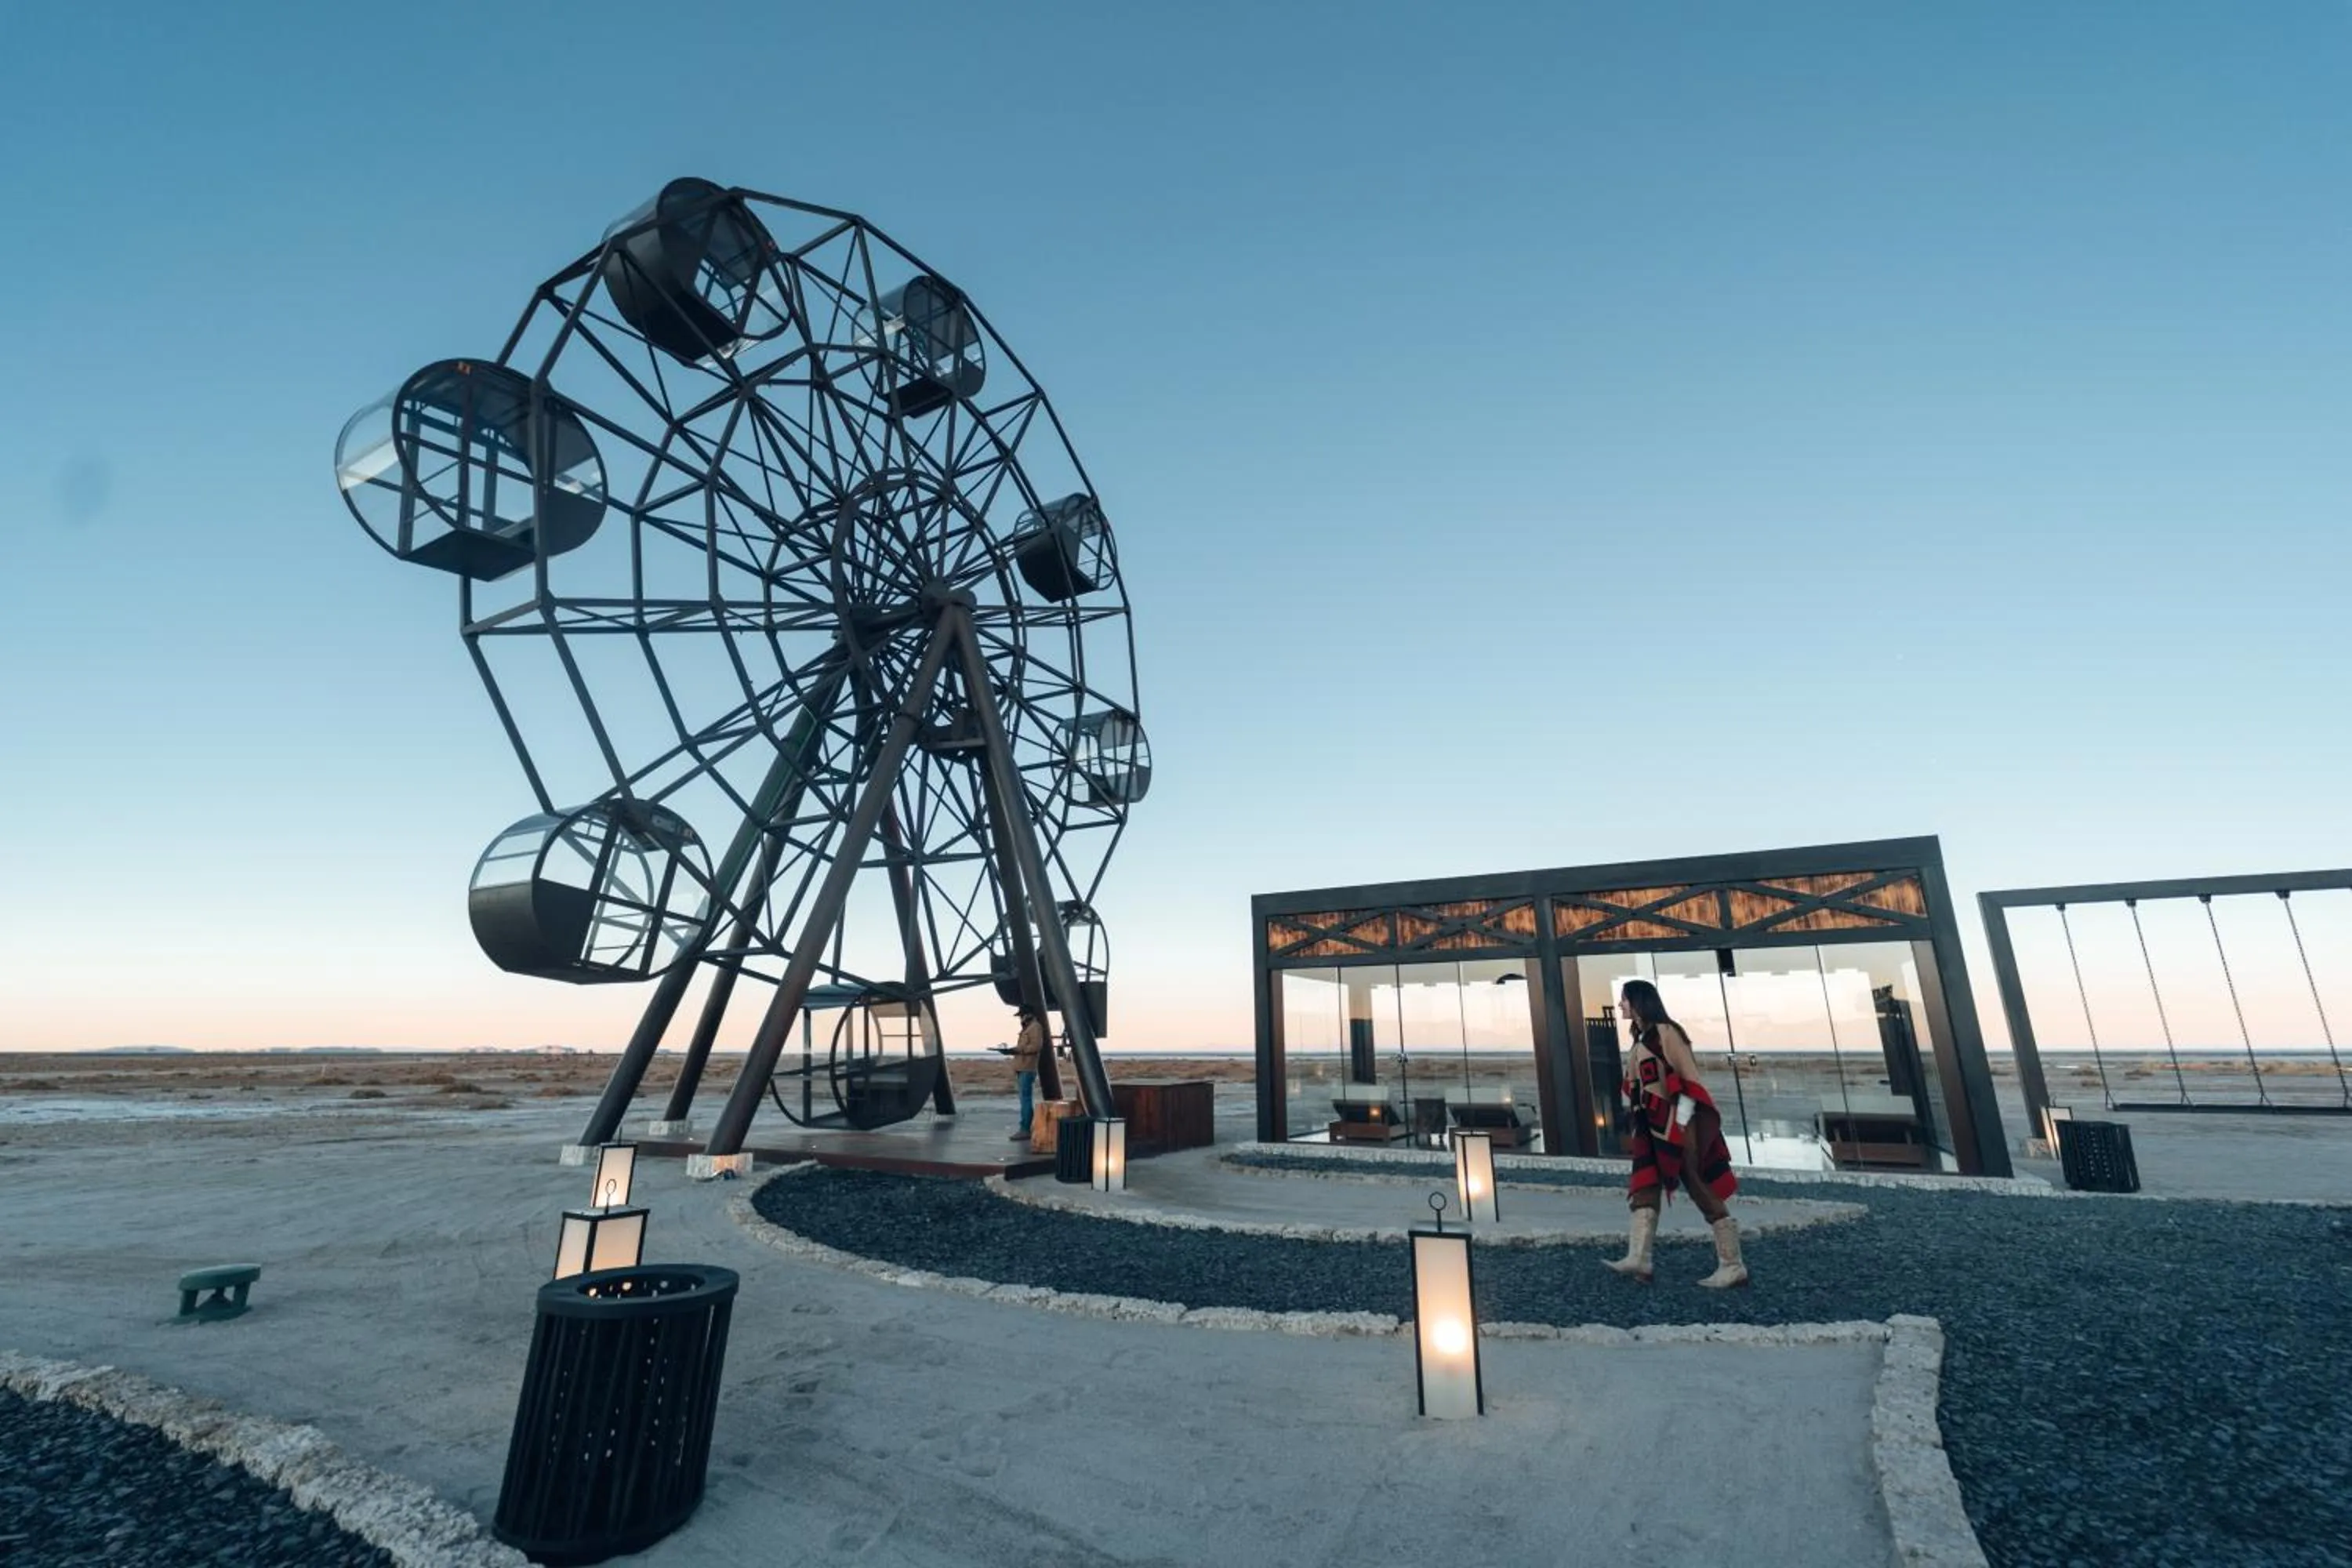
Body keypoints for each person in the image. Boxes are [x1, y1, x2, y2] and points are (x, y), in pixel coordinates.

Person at [1603, 979, 1748, 1288]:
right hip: (1650, 1126)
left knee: (1697, 1183)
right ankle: (1639, 1257)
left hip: (1675, 1126)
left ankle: (1733, 1264)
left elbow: (1688, 1078)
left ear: (1639, 1001)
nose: (1621, 1006)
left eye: (1625, 1000)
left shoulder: (1667, 1034)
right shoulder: (1642, 1038)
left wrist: (1681, 1123)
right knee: (1645, 1184)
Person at [1009, 1005, 1047, 1141]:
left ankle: (1026, 1128)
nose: (1020, 1018)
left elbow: (1036, 1046)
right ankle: (1026, 1127)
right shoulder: (1028, 1027)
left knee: (1025, 1099)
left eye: (1022, 1015)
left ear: (1028, 1015)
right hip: (1022, 1066)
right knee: (1024, 1099)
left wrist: (1019, 1050)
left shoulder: (1035, 1027)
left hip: (1027, 1067)